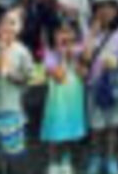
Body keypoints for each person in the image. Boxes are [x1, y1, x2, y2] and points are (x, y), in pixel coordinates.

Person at [82, 0, 118, 174]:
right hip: (95, 84)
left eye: (110, 7)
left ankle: (111, 158)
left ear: (117, 11)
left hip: (115, 85)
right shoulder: (89, 33)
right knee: (96, 126)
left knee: (113, 125)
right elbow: (85, 58)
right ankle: (96, 157)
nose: (106, 11)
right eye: (101, 7)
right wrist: (92, 34)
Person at [0, 5, 35, 172]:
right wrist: (1, 54)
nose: (7, 27)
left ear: (20, 27)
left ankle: (9, 169)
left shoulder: (23, 51)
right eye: (3, 23)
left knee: (12, 150)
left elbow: (28, 77)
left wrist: (12, 75)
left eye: (12, 23)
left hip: (12, 108)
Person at [42, 20, 88, 174]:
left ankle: (66, 160)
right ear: (54, 35)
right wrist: (63, 56)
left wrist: (76, 59)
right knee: (55, 131)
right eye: (61, 32)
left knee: (69, 130)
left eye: (69, 32)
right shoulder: (50, 54)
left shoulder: (78, 54)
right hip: (57, 101)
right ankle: (53, 162)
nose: (65, 36)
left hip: (73, 99)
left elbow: (83, 74)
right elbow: (59, 76)